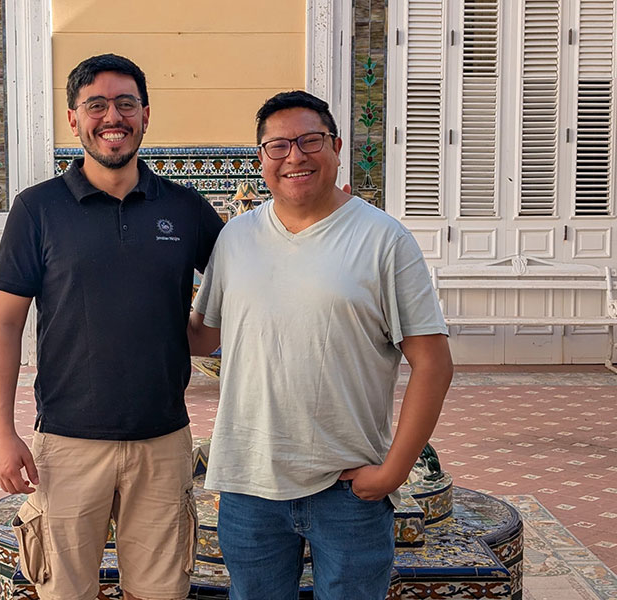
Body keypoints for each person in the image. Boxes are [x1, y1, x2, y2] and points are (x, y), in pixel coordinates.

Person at [187, 90, 453, 600]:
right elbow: (206, 335)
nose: (295, 156)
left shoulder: (383, 240)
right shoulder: (236, 238)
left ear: (334, 148)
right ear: (261, 158)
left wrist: (394, 470)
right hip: (248, 484)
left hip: (347, 486)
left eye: (310, 141)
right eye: (278, 145)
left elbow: (433, 364)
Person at [0, 53, 224, 600]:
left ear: (145, 114)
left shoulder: (185, 208)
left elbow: (249, 273)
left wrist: (323, 217)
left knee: (162, 592)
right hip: (66, 444)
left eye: (125, 104)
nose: (111, 117)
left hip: (162, 441)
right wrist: (3, 434)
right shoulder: (37, 209)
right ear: (74, 118)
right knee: (65, 592)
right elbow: (3, 327)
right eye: (96, 105)